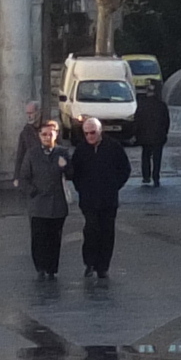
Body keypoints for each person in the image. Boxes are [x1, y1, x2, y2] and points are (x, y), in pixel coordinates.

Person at [67, 110, 130, 281]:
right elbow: (74, 173)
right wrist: (81, 189)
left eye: (92, 132)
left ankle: (103, 266)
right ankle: (89, 262)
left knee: (107, 232)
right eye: (86, 133)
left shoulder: (113, 147)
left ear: (100, 131)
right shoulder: (81, 150)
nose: (89, 136)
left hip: (109, 200)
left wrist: (114, 186)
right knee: (91, 230)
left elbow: (125, 169)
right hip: (88, 200)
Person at [17, 111, 71, 281]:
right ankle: (40, 266)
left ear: (56, 135)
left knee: (55, 238)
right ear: (39, 136)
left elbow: (72, 175)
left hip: (57, 204)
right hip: (38, 203)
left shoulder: (62, 152)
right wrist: (32, 191)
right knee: (39, 237)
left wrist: (65, 167)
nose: (47, 137)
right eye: (44, 134)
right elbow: (24, 177)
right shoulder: (32, 154)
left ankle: (52, 268)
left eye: (50, 134)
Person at [127, 75, 170, 189]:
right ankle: (156, 177)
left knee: (145, 155)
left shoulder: (142, 105)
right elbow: (166, 122)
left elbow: (137, 121)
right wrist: (164, 134)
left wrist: (135, 134)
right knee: (157, 157)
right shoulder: (161, 105)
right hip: (158, 136)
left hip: (144, 136)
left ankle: (146, 176)